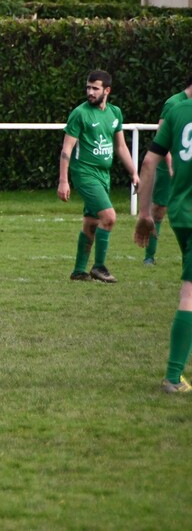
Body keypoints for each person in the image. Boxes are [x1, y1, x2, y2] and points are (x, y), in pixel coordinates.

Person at [58, 70, 138, 283]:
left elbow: (120, 146)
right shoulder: (80, 113)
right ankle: (99, 267)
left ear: (107, 90)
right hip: (85, 174)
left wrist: (134, 172)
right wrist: (63, 180)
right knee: (109, 217)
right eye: (88, 87)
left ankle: (78, 271)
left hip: (103, 175)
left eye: (95, 88)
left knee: (91, 222)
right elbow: (66, 149)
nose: (90, 92)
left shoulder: (115, 113)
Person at [134, 97, 192, 393]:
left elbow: (148, 162)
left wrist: (144, 214)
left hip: (181, 213)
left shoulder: (176, 111)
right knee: (190, 293)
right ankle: (172, 376)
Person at [143, 76, 192, 265]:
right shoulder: (173, 103)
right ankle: (149, 256)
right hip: (168, 165)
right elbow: (162, 138)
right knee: (159, 209)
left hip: (186, 165)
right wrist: (171, 165)